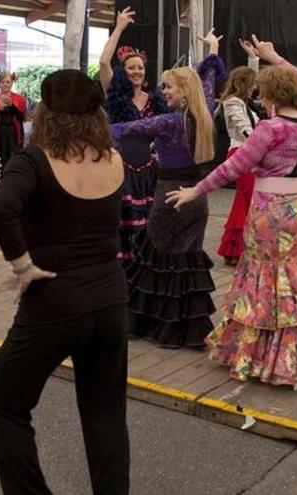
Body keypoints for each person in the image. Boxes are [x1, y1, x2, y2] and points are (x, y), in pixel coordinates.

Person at [167, 36, 297, 388]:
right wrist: (274, 56)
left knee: (267, 278)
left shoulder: (269, 129)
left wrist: (195, 189)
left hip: (271, 214)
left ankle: (266, 353)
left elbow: (231, 168)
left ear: (270, 98)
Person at [0, 69, 129, 495]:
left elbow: (1, 209)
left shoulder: (33, 159)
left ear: (45, 112)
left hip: (55, 302)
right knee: (105, 416)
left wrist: (23, 266)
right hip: (110, 300)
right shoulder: (113, 158)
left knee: (1, 404)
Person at [110, 30, 226, 348]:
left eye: (168, 87)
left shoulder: (168, 122)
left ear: (183, 92)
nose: (163, 91)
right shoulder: (204, 115)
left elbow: (125, 128)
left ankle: (155, 326)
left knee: (157, 259)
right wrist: (213, 51)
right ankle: (186, 331)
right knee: (185, 261)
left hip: (168, 197)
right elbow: (209, 82)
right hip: (197, 199)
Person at [100, 6, 169, 261]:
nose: (137, 72)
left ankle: (143, 266)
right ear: (123, 71)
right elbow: (103, 62)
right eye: (131, 68)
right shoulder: (115, 94)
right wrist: (119, 28)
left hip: (147, 170)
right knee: (121, 221)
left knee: (146, 221)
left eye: (140, 68)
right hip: (119, 168)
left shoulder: (156, 99)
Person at [215, 39, 260, 266]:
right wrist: (262, 143)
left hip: (248, 154)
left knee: (245, 201)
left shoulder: (243, 101)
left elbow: (252, 78)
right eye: (252, 84)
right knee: (248, 200)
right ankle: (242, 249)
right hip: (241, 154)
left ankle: (236, 248)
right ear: (245, 84)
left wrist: (253, 58)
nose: (255, 87)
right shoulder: (232, 103)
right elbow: (245, 130)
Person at [0, 71, 27, 208]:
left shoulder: (19, 99)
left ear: (12, 83)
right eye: (2, 82)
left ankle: (15, 199)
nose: (5, 84)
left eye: (8, 82)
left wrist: (12, 105)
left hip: (14, 136)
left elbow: (22, 117)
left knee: (13, 165)